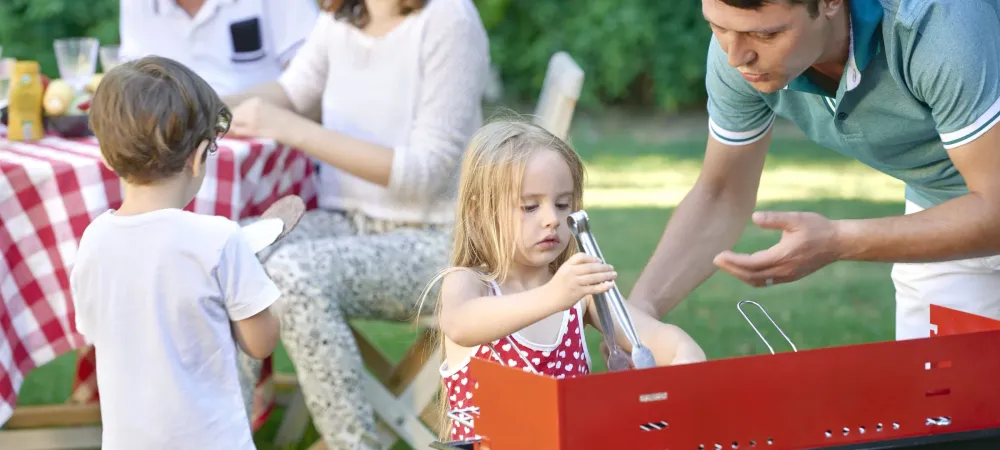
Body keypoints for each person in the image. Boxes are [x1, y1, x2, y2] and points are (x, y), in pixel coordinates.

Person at [627, 0, 1000, 341]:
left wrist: (838, 240)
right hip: (939, 208)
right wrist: (638, 312)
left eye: (767, 34)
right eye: (718, 27)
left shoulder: (935, 25)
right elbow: (723, 194)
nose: (736, 56)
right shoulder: (738, 53)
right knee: (944, 404)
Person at [221, 0, 491, 447]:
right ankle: (222, 437)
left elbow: (423, 175)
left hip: (443, 242)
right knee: (235, 251)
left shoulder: (449, 18)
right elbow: (291, 93)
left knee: (296, 276)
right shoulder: (342, 14)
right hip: (351, 223)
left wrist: (291, 129)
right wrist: (197, 102)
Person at [421, 119, 706, 441]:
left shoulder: (580, 296)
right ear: (478, 211)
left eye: (562, 204)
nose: (551, 220)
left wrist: (685, 354)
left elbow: (654, 337)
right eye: (529, 207)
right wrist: (554, 296)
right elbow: (460, 323)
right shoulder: (470, 283)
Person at [69, 56, 281, 449]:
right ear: (199, 156)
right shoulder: (219, 239)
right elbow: (261, 342)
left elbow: (93, 328)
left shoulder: (94, 239)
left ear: (105, 153)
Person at [118, 0, 320, 96]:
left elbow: (314, 80)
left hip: (269, 151)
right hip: (172, 149)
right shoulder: (136, 4)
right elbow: (133, 83)